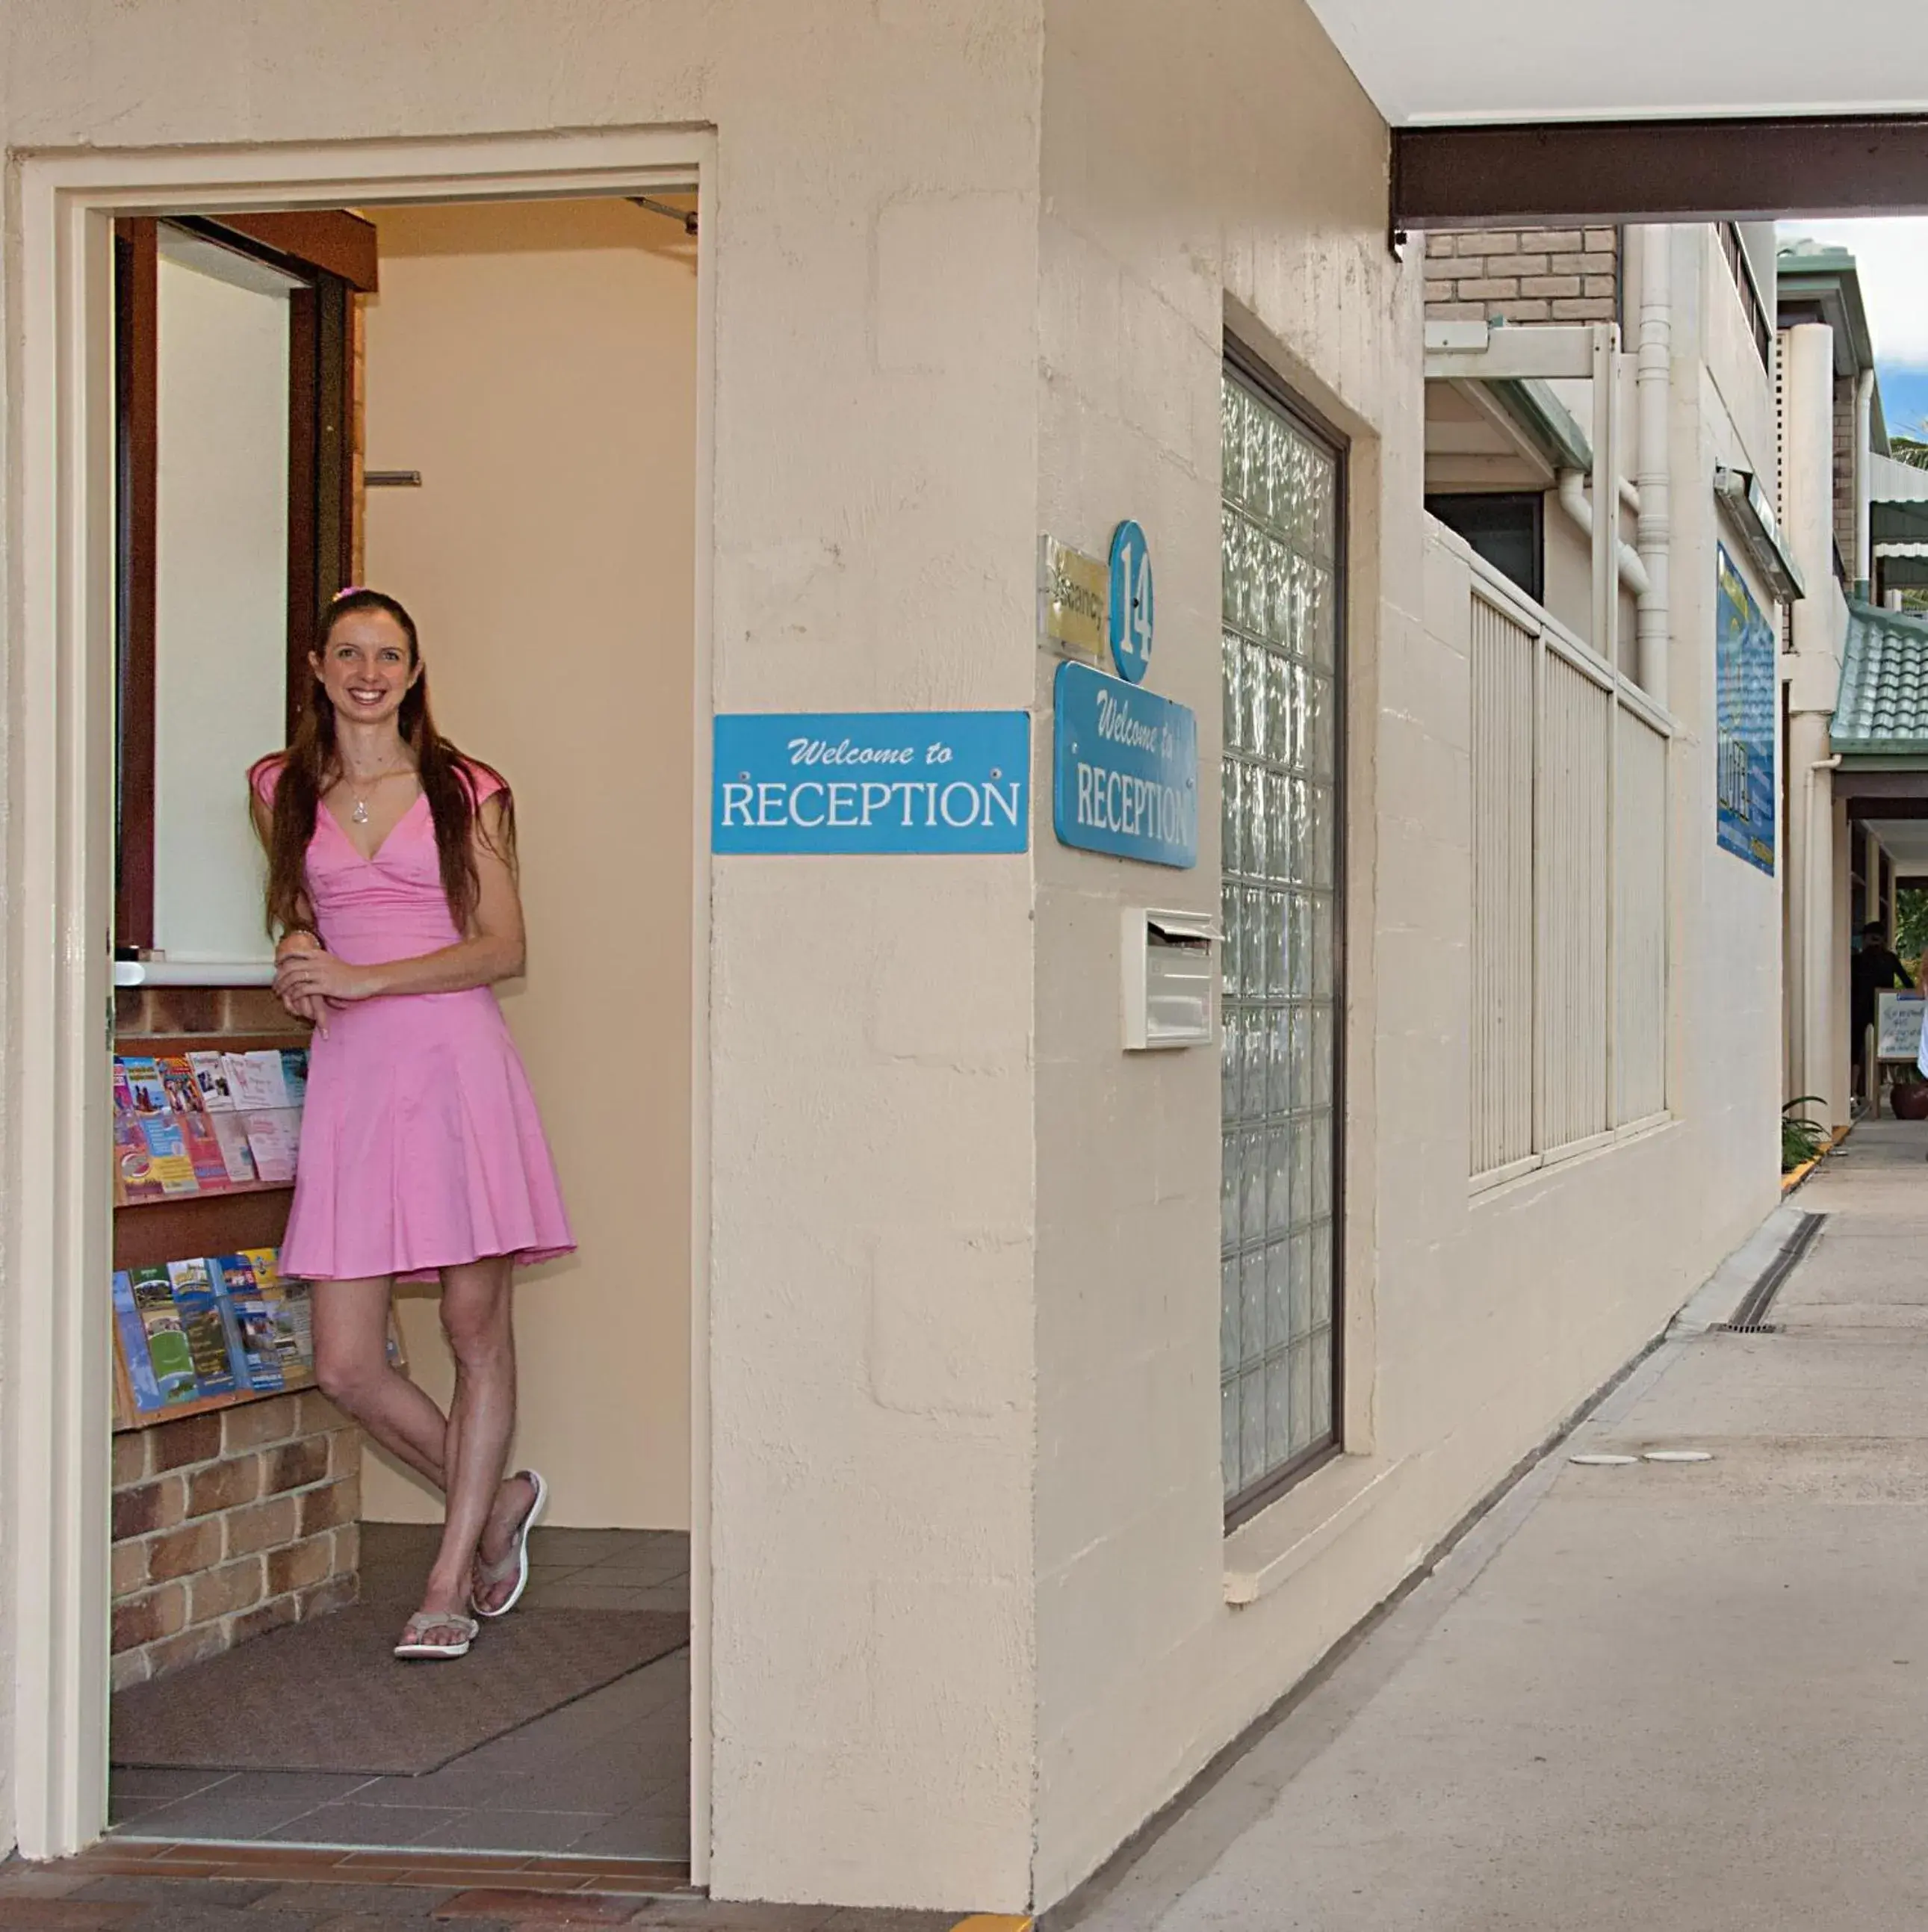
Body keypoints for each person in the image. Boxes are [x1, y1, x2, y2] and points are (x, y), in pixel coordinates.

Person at [250, 588, 574, 1662]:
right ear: (318, 664)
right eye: (350, 652)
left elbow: (501, 947)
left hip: (455, 1068)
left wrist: (360, 972)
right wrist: (304, 965)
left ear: (415, 668)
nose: (369, 671)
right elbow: (303, 909)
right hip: (356, 1077)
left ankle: (445, 1580)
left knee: (474, 1333)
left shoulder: (464, 788)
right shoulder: (279, 787)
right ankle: (491, 1504)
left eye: (389, 654)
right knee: (346, 1360)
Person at [1852, 919, 1914, 1095]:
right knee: (1890, 1050)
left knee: (1856, 1051)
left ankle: (1852, 1091)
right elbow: (1907, 983)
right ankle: (1898, 1088)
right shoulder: (1889, 959)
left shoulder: (1857, 960)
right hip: (1885, 1009)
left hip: (1861, 1008)